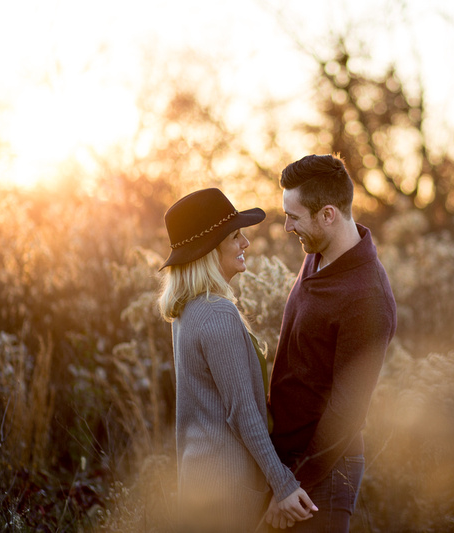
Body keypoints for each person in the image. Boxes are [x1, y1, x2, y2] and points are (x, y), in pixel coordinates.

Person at [158, 188, 317, 533]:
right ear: (207, 251)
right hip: (227, 491)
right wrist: (284, 484)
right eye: (235, 236)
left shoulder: (188, 311)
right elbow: (242, 411)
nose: (245, 243)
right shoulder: (217, 313)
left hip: (200, 482)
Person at [265, 155, 397, 532]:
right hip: (288, 461)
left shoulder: (367, 299)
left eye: (294, 216)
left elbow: (346, 413)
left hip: (322, 476)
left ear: (328, 215)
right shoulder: (318, 253)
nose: (288, 226)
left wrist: (292, 485)